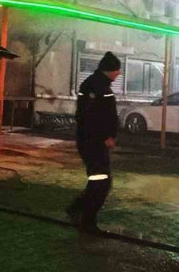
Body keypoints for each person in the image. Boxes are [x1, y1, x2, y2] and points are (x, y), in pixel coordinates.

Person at [66, 51, 121, 234]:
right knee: (101, 182)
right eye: (117, 70)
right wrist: (104, 136)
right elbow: (88, 116)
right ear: (109, 70)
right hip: (93, 143)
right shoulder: (94, 86)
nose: (119, 73)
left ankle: (76, 210)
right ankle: (87, 222)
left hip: (95, 142)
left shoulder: (99, 84)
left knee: (99, 180)